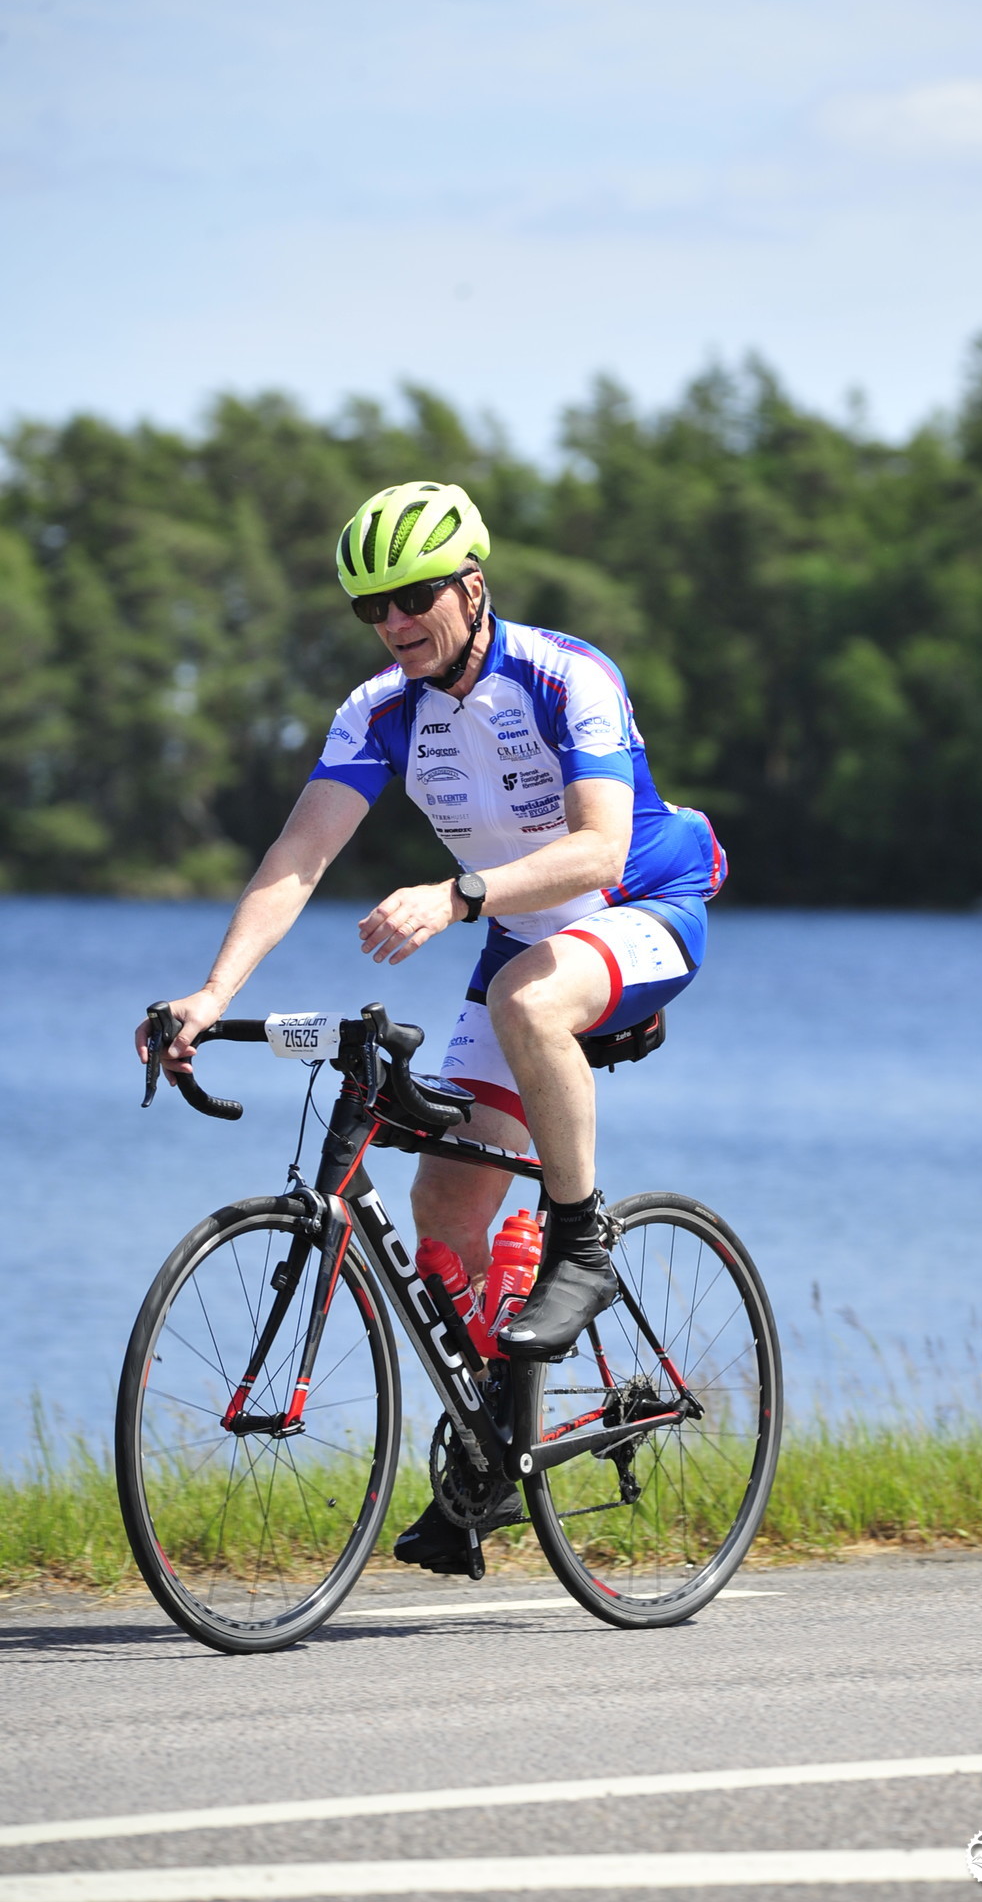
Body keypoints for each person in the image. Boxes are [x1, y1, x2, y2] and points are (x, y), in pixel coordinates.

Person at [135, 479, 727, 1573]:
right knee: (443, 1203)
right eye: (372, 606)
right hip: (520, 936)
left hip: (640, 906)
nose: (395, 621)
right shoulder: (380, 712)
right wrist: (211, 993)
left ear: (472, 585)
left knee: (527, 997)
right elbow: (298, 858)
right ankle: (498, 1444)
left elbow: (599, 848)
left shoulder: (567, 674)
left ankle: (582, 1242)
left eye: (414, 597)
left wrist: (456, 895)